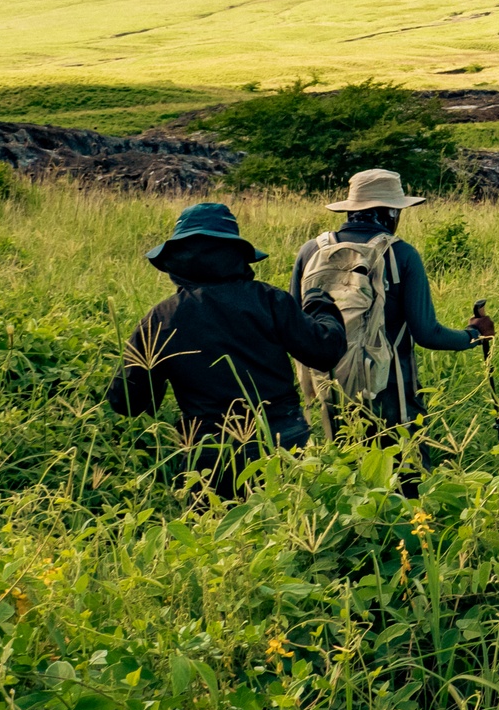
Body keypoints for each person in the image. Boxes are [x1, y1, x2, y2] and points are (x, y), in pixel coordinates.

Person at [108, 201, 345, 495]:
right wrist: (322, 307)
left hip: (208, 456)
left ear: (176, 261)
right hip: (281, 443)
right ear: (237, 255)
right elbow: (324, 352)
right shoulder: (270, 301)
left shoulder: (163, 318)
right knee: (284, 528)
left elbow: (126, 401)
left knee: (212, 535)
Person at [289, 168, 495, 433]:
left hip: (332, 389)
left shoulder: (311, 251)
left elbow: (294, 327)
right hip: (392, 393)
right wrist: (474, 335)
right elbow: (427, 334)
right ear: (391, 212)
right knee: (408, 468)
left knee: (346, 468)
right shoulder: (401, 254)